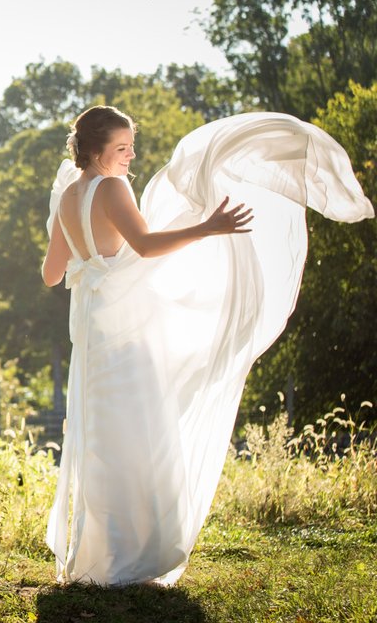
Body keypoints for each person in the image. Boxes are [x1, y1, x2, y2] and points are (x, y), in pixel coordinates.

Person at [41, 105, 373, 586]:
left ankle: (98, 556)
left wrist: (86, 256)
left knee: (103, 433)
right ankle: (128, 557)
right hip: (127, 323)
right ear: (96, 151)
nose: (131, 155)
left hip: (93, 326)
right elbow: (147, 245)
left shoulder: (68, 196)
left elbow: (51, 274)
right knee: (139, 428)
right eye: (121, 147)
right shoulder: (112, 187)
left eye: (131, 145)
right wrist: (207, 228)